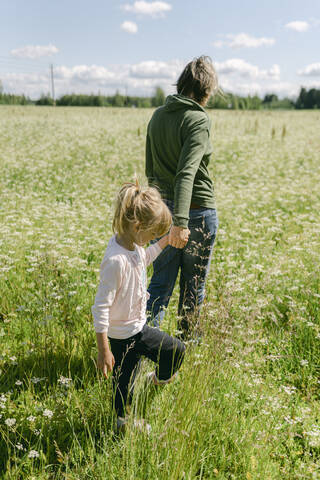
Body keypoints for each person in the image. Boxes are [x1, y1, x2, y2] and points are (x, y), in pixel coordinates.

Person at [92, 182, 185, 432]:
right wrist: (104, 349)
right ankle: (123, 422)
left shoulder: (134, 246)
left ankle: (158, 379)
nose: (151, 239)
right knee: (124, 386)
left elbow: (145, 258)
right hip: (120, 338)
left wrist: (165, 241)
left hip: (140, 329)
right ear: (137, 226)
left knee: (175, 350)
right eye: (152, 233)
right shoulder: (115, 260)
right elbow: (100, 308)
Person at [145, 55, 219, 339]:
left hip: (162, 213)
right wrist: (181, 222)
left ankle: (139, 353)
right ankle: (185, 354)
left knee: (158, 287)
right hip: (195, 216)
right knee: (193, 289)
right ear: (206, 89)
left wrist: (160, 215)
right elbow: (186, 174)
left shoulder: (157, 116)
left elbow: (151, 172)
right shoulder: (198, 119)